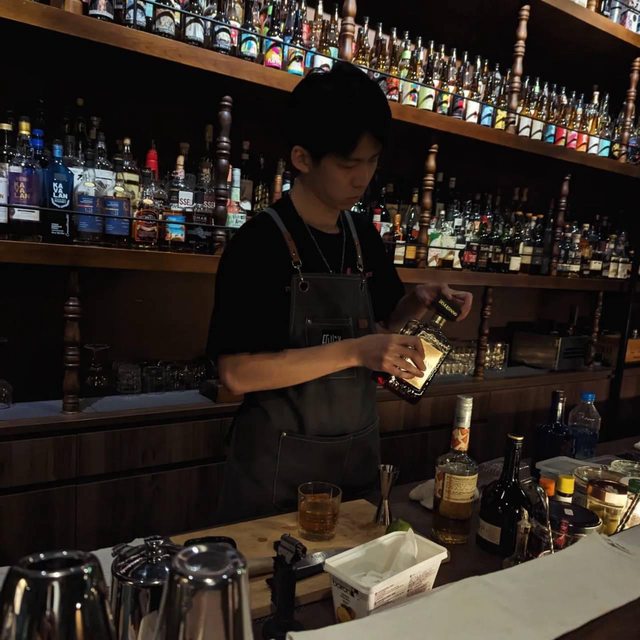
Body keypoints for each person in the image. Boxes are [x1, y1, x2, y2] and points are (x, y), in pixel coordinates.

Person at [207, 62, 472, 522]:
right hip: (276, 479)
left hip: (355, 464)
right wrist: (355, 351)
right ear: (302, 158)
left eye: (372, 161)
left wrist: (419, 302)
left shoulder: (362, 235)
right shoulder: (258, 244)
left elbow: (386, 323)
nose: (362, 178)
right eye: (349, 164)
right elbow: (237, 374)